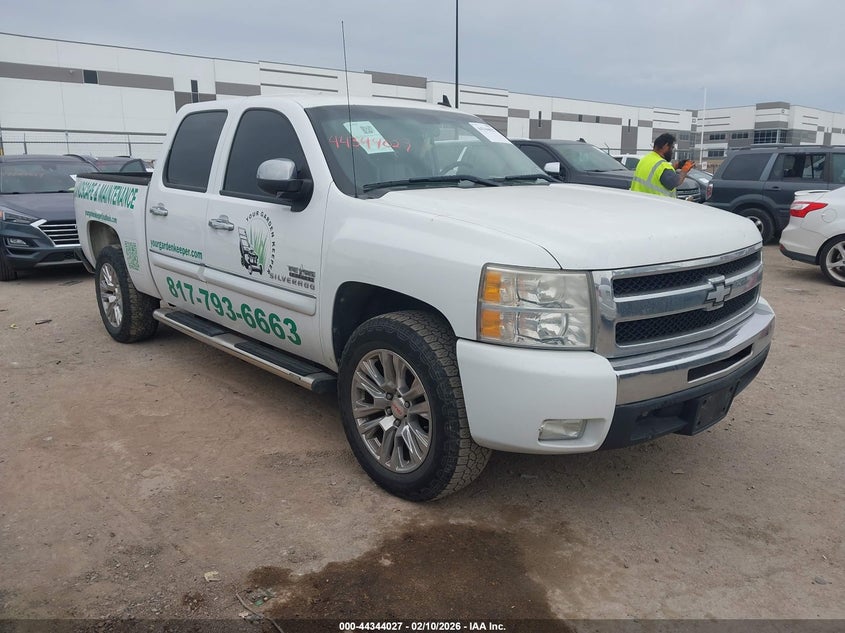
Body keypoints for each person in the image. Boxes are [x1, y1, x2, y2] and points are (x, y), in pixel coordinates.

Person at [629, 133, 694, 197]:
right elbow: (676, 182)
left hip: (639, 201)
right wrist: (684, 170)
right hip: (656, 205)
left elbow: (656, 174)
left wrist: (676, 166)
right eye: (671, 147)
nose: (672, 151)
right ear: (665, 146)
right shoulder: (662, 165)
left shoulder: (645, 159)